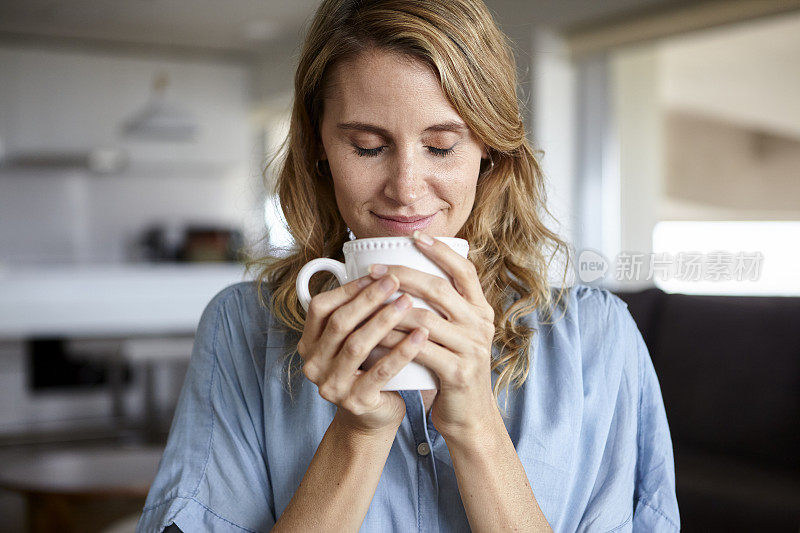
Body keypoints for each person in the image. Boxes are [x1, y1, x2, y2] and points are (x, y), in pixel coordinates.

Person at [137, 0, 680, 531]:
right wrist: (358, 435)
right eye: (369, 147)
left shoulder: (595, 339)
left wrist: (476, 430)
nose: (406, 190)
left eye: (442, 147)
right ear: (320, 148)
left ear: (488, 147)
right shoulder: (241, 329)